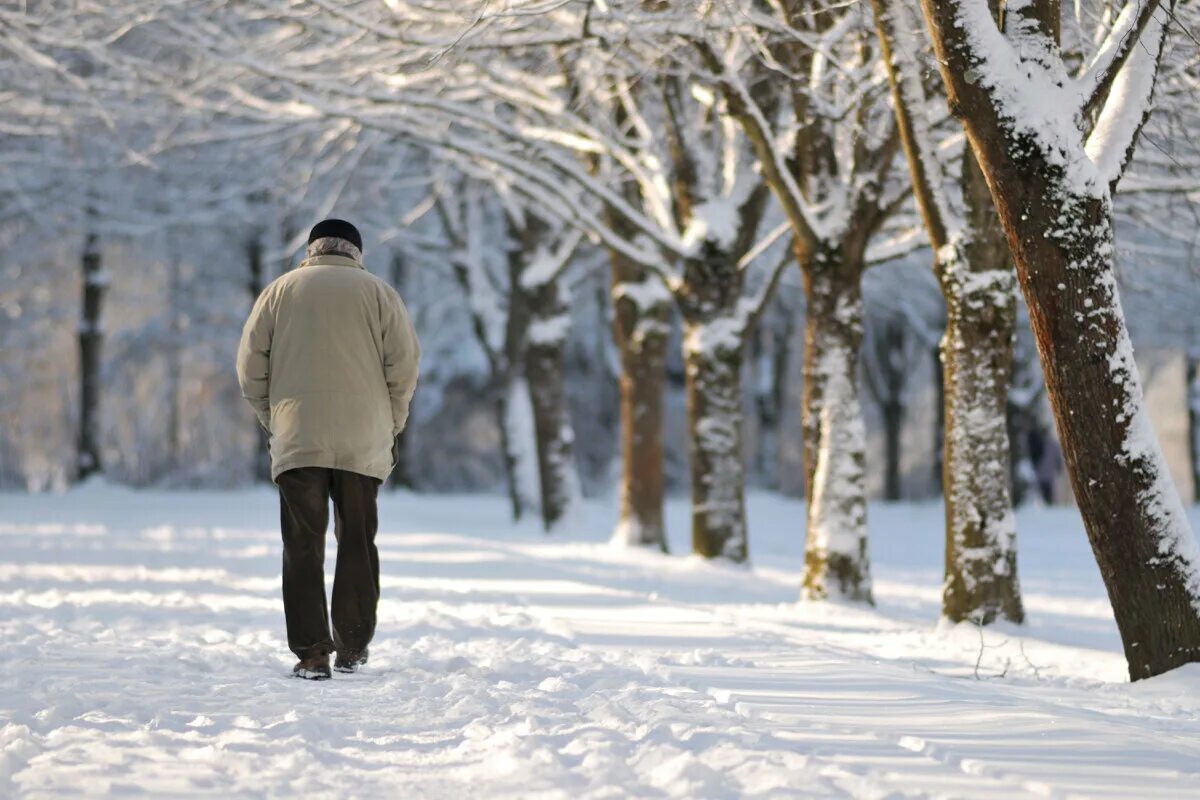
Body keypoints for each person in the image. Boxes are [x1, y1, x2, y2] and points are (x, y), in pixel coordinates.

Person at [236, 219, 420, 680]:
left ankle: (312, 652)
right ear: (355, 252)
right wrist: (390, 424)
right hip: (363, 438)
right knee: (356, 539)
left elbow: (249, 368)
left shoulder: (279, 292)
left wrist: (274, 418)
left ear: (312, 250)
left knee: (302, 544)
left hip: (299, 436)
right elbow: (404, 368)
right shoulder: (379, 294)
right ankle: (353, 645)